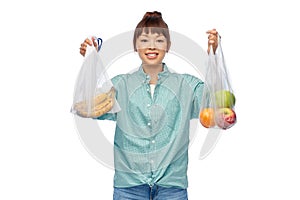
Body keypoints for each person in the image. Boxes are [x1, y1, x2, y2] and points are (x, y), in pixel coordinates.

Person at [79, 11, 219, 200]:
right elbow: (88, 106)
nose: (152, 46)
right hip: (129, 188)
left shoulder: (187, 86)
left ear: (168, 46)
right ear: (135, 46)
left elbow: (216, 103)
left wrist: (214, 55)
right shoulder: (120, 85)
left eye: (159, 40)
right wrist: (91, 58)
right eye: (144, 40)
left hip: (172, 187)